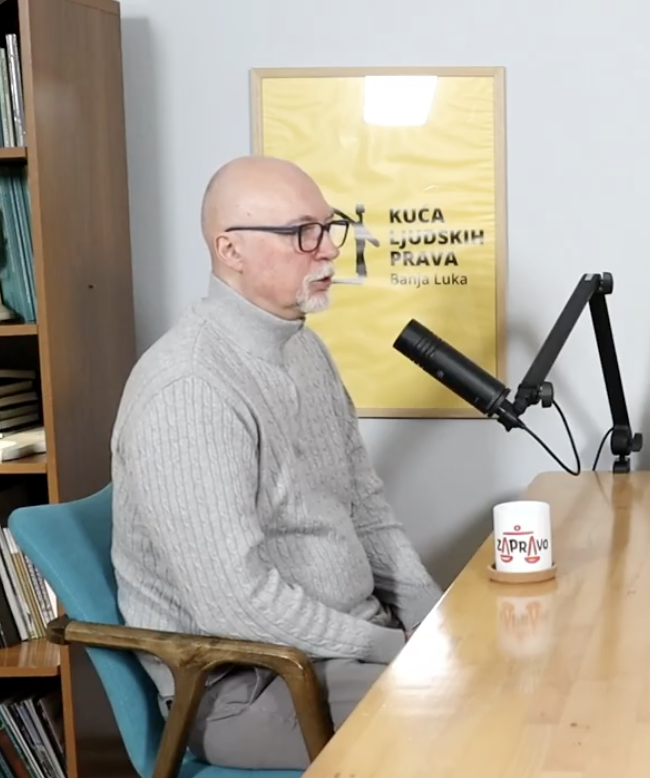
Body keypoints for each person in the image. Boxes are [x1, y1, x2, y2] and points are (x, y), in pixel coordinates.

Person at [110, 155, 445, 769]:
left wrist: (437, 621)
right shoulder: (190, 388)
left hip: (345, 648)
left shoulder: (306, 350)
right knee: (475, 713)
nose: (329, 250)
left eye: (329, 227)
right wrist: (390, 647)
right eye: (301, 233)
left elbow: (366, 508)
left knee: (504, 671)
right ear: (230, 250)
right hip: (253, 683)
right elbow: (236, 605)